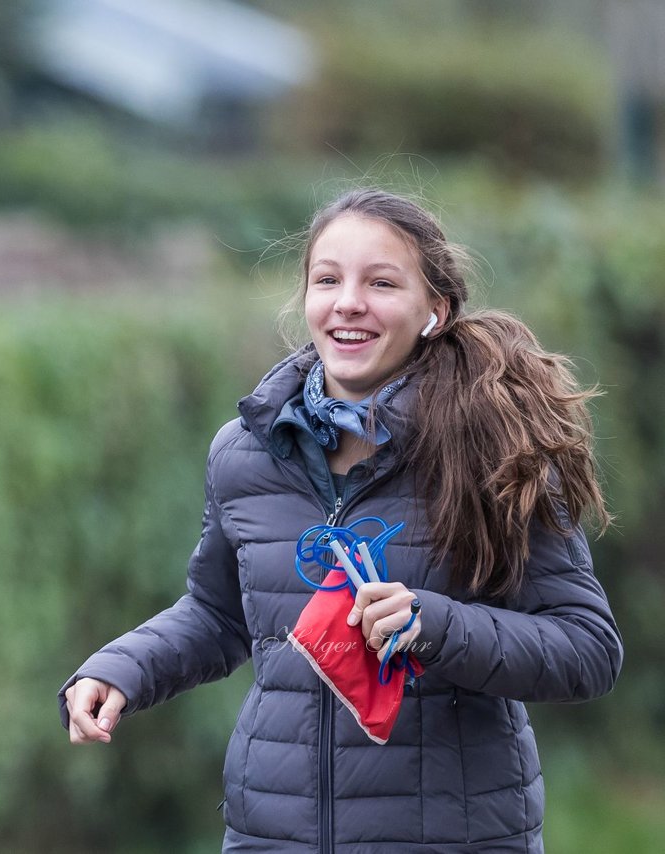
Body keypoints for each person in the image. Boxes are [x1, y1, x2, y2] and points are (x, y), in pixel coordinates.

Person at [60, 188, 621, 851]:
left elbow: (587, 650)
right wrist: (120, 668)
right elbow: (219, 615)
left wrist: (435, 624)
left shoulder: (495, 449)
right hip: (273, 833)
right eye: (328, 279)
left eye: (381, 282)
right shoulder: (245, 452)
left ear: (434, 310)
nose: (348, 301)